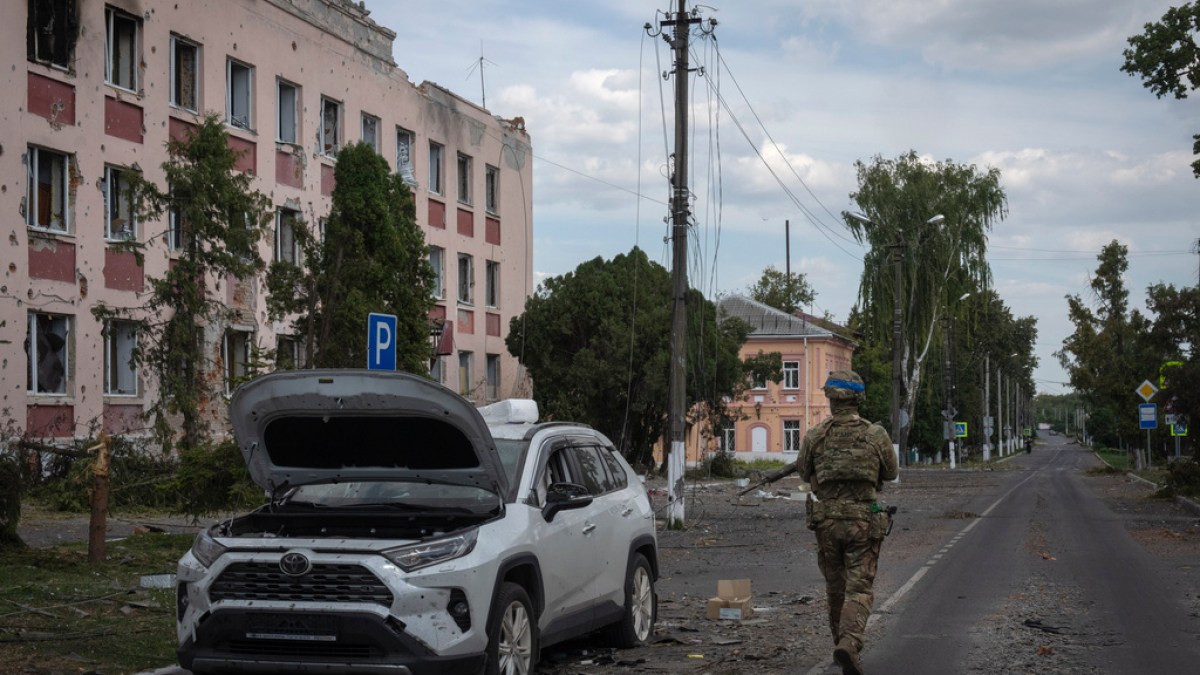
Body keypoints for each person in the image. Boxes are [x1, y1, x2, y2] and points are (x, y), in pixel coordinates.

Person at [798, 370, 899, 675]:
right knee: (859, 587)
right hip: (862, 521)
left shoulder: (816, 435)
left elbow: (804, 472)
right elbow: (891, 472)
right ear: (858, 399)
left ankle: (839, 644)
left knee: (835, 588)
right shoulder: (875, 434)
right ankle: (850, 642)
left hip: (826, 521)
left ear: (830, 399)